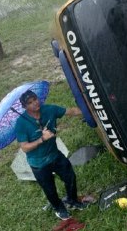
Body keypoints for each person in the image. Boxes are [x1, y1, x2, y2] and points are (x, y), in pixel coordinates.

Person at [15, 90, 89, 219]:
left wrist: (89, 110)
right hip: (39, 163)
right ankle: (59, 208)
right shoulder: (21, 123)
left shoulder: (49, 109)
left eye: (35, 99)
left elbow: (70, 111)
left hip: (55, 155)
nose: (35, 103)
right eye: (30, 103)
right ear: (25, 107)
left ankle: (73, 200)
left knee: (70, 177)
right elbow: (25, 147)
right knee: (49, 189)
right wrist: (42, 139)